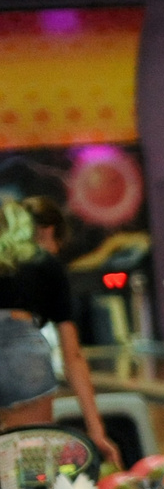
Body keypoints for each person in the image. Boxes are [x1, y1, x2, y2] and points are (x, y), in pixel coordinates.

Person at [0, 198, 113, 467]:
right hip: (23, 356)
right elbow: (72, 355)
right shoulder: (45, 264)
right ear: (48, 232)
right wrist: (96, 431)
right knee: (27, 467)